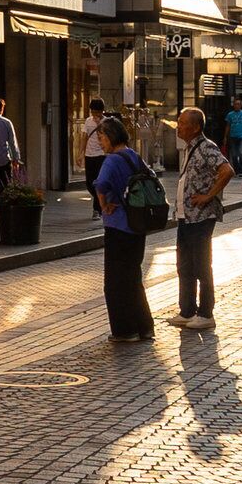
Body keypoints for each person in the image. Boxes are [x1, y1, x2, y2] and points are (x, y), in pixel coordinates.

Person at [90, 116, 157, 342]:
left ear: (110, 137)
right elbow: (151, 177)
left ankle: (124, 330)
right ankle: (145, 327)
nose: (100, 143)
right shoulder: (134, 155)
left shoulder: (111, 160)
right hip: (137, 224)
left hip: (118, 225)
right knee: (133, 277)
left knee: (115, 281)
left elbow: (100, 184)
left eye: (101, 138)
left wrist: (103, 204)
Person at [171, 106, 231, 326]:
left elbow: (227, 170)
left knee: (201, 265)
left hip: (201, 216)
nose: (178, 126)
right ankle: (187, 311)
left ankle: (206, 314)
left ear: (196, 127)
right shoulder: (189, 148)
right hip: (185, 215)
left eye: (182, 123)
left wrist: (208, 196)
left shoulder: (206, 147)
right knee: (184, 265)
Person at [80, 104, 114, 222]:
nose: (95, 115)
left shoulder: (106, 122)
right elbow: (84, 137)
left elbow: (110, 138)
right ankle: (102, 198)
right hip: (89, 155)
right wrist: (80, 153)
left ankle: (97, 209)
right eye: (93, 112)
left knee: (98, 182)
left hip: (102, 155)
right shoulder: (88, 121)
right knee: (89, 183)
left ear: (102, 111)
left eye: (97, 112)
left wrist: (100, 124)